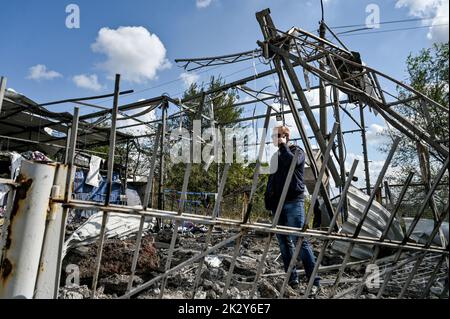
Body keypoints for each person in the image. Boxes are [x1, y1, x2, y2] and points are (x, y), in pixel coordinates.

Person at [265, 125, 320, 296]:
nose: (274, 138)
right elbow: (271, 180)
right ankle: (292, 278)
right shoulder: (275, 156)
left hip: (293, 202)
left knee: (300, 241)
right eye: (274, 136)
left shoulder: (297, 151)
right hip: (278, 205)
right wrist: (268, 199)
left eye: (277, 136)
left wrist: (283, 146)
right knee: (283, 242)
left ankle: (314, 281)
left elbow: (291, 163)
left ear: (285, 136)